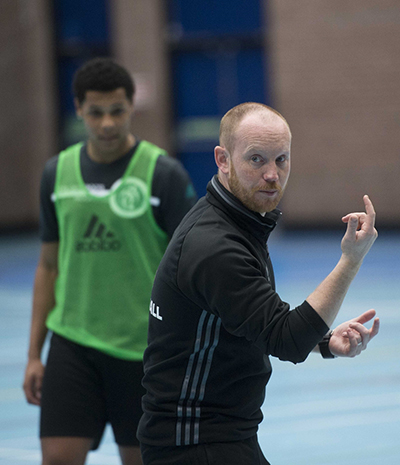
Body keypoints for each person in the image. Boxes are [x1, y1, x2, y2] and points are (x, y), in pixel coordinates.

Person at [137, 102, 380, 465]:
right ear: (223, 159)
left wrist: (326, 342)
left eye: (281, 159)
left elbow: (255, 321)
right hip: (194, 444)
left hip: (219, 435)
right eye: (256, 159)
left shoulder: (237, 222)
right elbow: (288, 338)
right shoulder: (215, 247)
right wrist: (351, 259)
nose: (272, 174)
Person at [22, 57, 197, 465]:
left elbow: (191, 269)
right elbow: (48, 266)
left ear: (131, 106)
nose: (106, 123)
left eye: (116, 111)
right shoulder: (55, 175)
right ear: (79, 108)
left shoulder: (163, 175)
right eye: (96, 112)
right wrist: (35, 354)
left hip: (142, 353)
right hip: (72, 345)